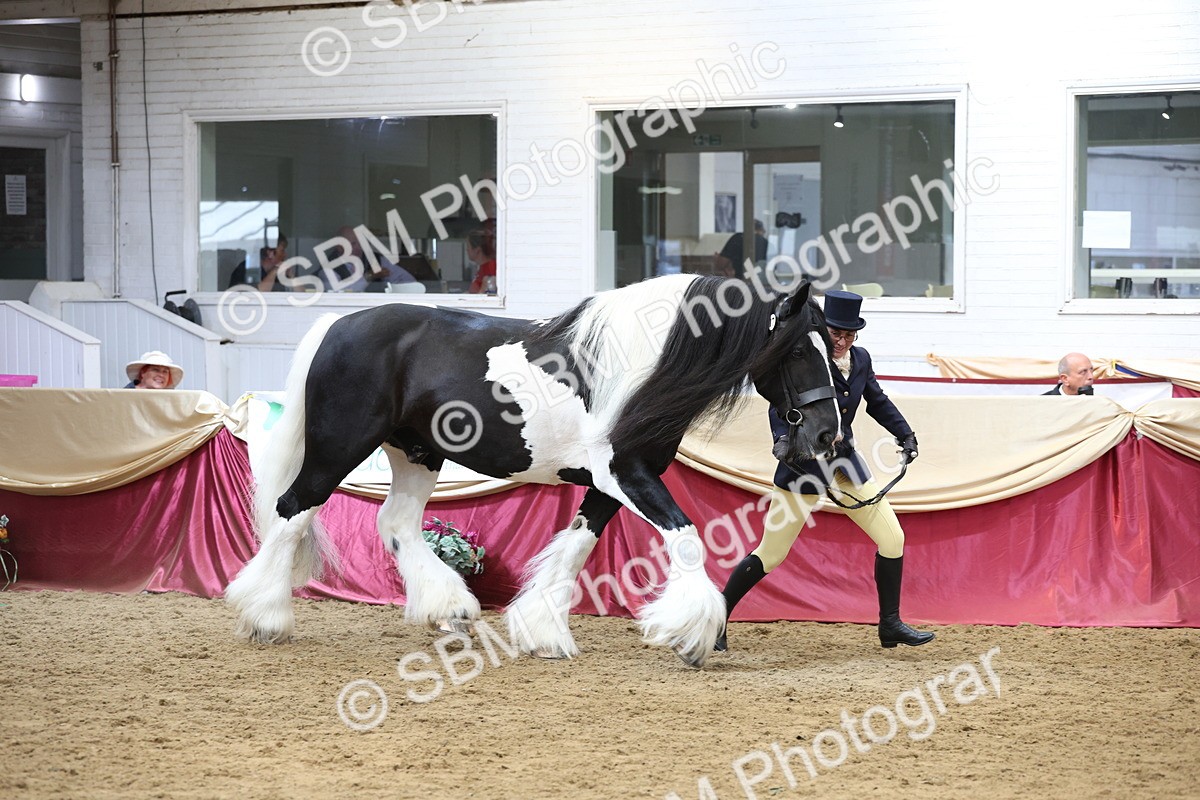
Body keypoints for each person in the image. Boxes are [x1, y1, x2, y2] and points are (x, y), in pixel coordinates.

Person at [716, 290, 933, 652]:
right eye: (837, 334)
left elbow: (876, 400)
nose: (843, 342)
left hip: (845, 465)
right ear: (824, 329)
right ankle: (718, 617)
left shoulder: (860, 360)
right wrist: (783, 437)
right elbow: (783, 401)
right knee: (772, 553)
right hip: (803, 467)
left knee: (893, 539)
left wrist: (905, 433)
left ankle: (890, 624)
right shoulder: (809, 356)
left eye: (849, 336)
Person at [326, 226, 417, 292]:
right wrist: (369, 277)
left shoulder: (376, 259)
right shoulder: (328, 267)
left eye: (360, 243)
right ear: (339, 247)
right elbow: (340, 292)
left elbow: (409, 281)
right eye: (353, 244)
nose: (359, 247)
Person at [467, 219, 498, 294]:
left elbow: (486, 295)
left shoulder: (490, 268)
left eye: (468, 247)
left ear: (477, 250)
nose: (467, 250)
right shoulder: (482, 268)